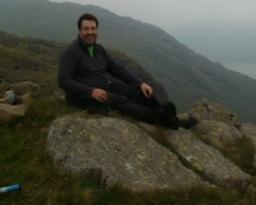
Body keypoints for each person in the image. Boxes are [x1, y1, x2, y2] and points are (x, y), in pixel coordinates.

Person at [58, 13, 194, 129]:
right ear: (79, 31)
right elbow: (63, 80)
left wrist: (140, 83)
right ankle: (159, 120)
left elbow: (117, 69)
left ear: (97, 30)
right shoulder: (71, 52)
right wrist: (90, 91)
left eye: (93, 28)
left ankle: (168, 116)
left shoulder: (98, 49)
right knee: (120, 101)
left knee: (138, 93)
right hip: (83, 96)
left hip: (104, 86)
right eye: (86, 29)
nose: (90, 32)